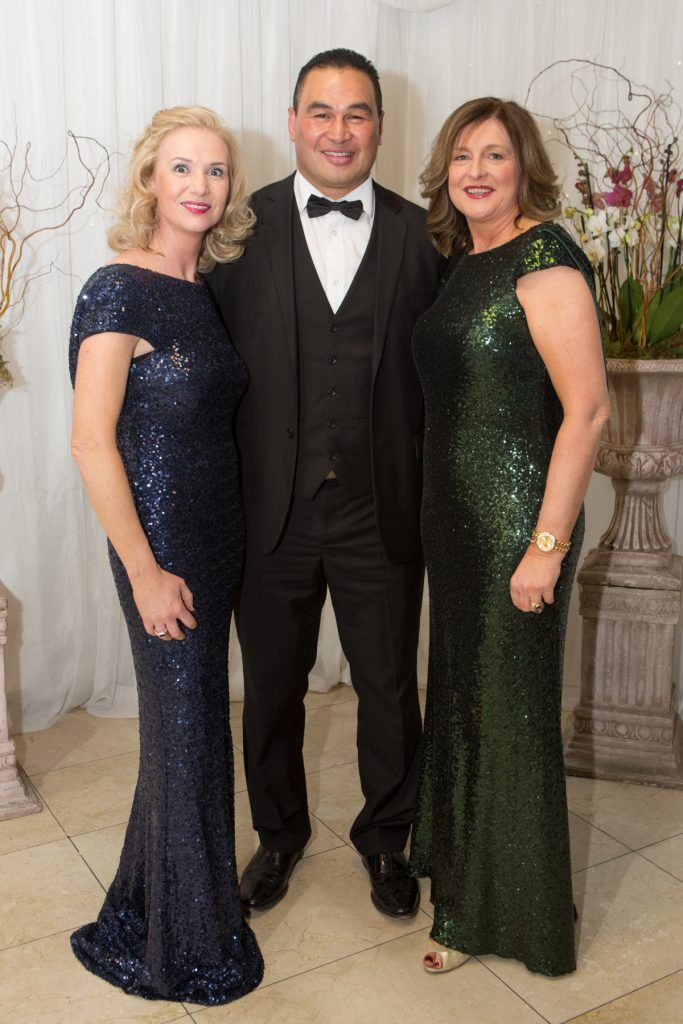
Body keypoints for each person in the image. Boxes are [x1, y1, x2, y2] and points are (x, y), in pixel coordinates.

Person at [206, 49, 443, 918]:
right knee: (270, 687)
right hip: (268, 512)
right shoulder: (236, 228)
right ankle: (278, 836)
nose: (338, 131)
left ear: (378, 124)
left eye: (356, 113)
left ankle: (387, 842)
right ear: (294, 119)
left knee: (387, 686)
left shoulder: (429, 237)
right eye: (320, 111)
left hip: (382, 510)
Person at [409, 97, 609, 976]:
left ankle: (503, 913)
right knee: (464, 705)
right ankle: (470, 885)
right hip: (452, 525)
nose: (476, 171)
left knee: (508, 717)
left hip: (515, 526)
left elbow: (588, 412)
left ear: (524, 166)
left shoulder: (545, 260)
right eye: (462, 156)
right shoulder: (464, 258)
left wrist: (547, 544)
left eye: (494, 155)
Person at [68, 106, 263, 1004]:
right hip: (160, 549)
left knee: (185, 733)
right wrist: (144, 571)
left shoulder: (203, 287)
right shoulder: (117, 287)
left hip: (216, 540)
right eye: (181, 168)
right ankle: (185, 940)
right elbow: (91, 443)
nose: (198, 185)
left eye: (215, 171)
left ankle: (166, 900)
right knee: (187, 732)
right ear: (150, 178)